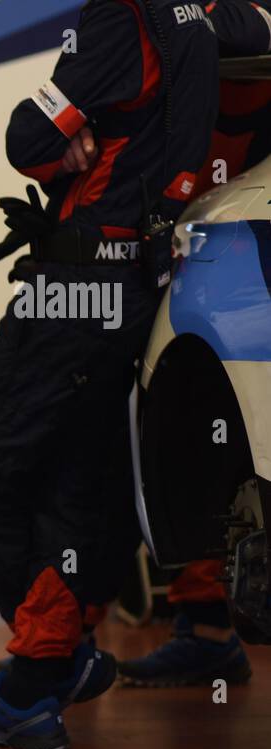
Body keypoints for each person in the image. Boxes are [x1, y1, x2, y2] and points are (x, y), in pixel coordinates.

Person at [0, 0, 219, 749]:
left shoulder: (120, 17)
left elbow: (27, 138)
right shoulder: (208, 19)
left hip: (79, 288)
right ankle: (41, 669)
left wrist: (67, 134)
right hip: (136, 284)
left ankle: (47, 666)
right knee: (70, 487)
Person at [116, 0, 271, 688]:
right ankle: (200, 623)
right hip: (175, 221)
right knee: (191, 427)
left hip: (224, 211)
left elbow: (242, 31)